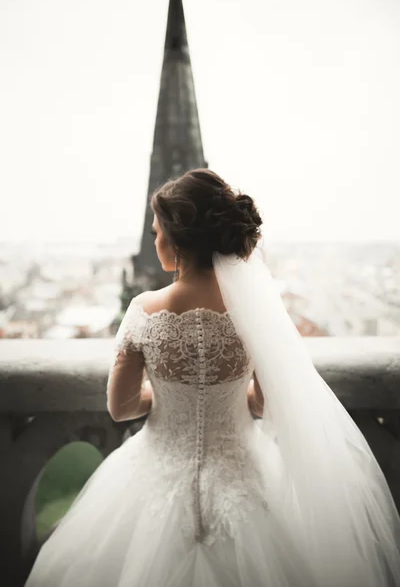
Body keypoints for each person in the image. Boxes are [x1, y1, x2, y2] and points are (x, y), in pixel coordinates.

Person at [25, 168, 400, 587]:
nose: (155, 240)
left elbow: (120, 407)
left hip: (155, 474)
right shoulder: (252, 315)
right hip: (244, 477)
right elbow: (264, 403)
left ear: (177, 238)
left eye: (156, 232)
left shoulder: (144, 310)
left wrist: (167, 396)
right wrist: (231, 395)